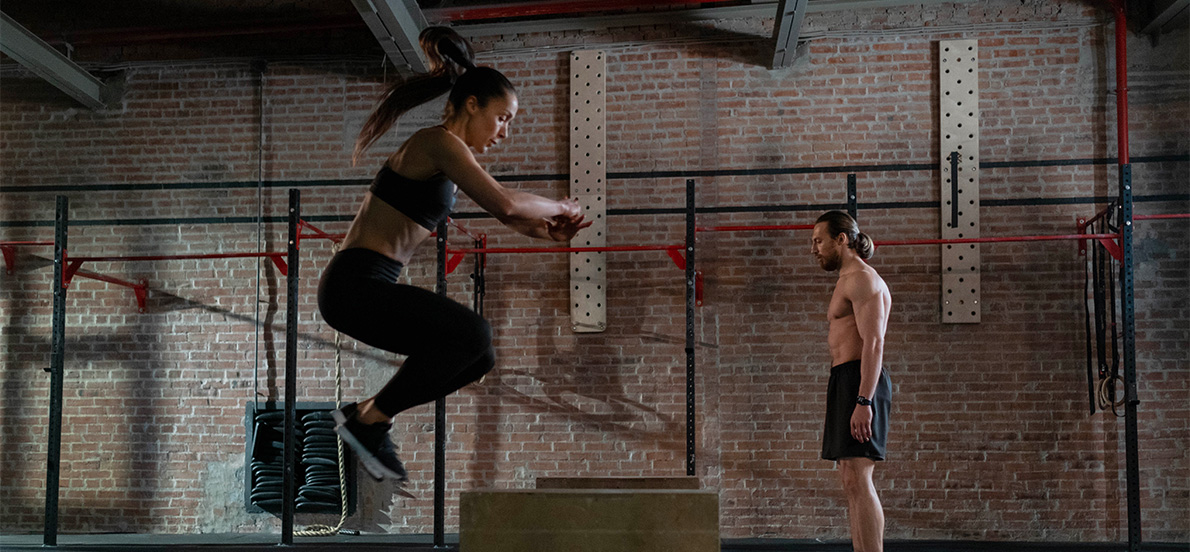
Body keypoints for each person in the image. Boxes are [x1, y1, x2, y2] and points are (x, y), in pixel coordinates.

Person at [318, 26, 591, 488]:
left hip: (368, 288)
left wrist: (547, 233)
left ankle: (365, 415)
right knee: (475, 332)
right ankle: (369, 421)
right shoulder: (437, 143)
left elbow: (511, 216)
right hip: (355, 286)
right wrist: (560, 206)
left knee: (478, 355)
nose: (504, 132)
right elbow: (504, 202)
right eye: (502, 118)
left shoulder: (448, 156)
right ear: (471, 105)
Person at [810, 211, 892, 552]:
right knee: (850, 478)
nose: (814, 248)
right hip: (845, 378)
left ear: (841, 239)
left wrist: (864, 401)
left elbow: (874, 343)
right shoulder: (846, 279)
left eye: (818, 240)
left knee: (860, 476)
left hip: (860, 381)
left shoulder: (862, 278)